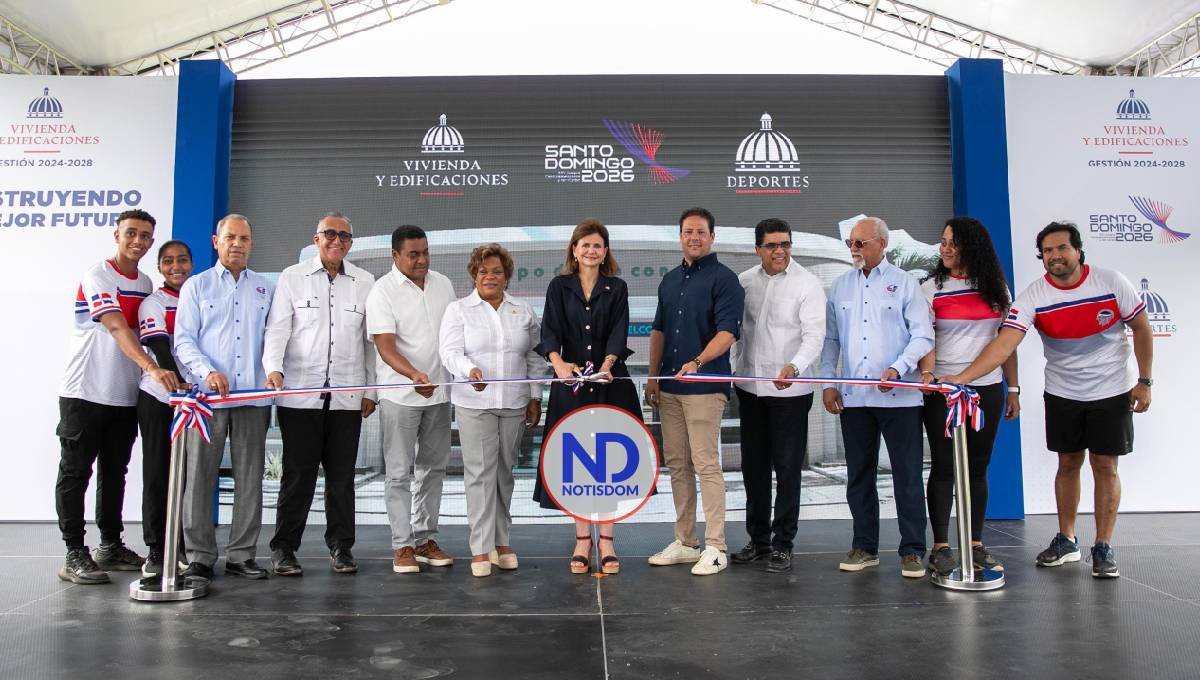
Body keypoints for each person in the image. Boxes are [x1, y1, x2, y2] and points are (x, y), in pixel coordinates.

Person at [942, 221, 1153, 579]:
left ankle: (1103, 546)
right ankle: (1067, 540)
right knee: (1067, 464)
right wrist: (962, 378)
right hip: (1063, 391)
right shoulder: (1034, 296)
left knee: (1105, 467)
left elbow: (1143, 327)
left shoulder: (1111, 281)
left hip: (1112, 389)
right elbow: (1004, 344)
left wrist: (1145, 381)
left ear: (1078, 251)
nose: (1055, 256)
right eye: (1048, 251)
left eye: (1062, 248)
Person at [56, 209, 180, 584]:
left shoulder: (144, 283)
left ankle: (109, 544)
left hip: (124, 396)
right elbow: (114, 325)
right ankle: (74, 551)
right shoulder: (99, 276)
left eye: (145, 235)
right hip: (85, 391)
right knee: (76, 471)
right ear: (117, 235)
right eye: (131, 233)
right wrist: (152, 367)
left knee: (115, 472)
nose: (138, 241)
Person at [820, 216, 934, 578]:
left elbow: (923, 336)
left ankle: (913, 550)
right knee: (859, 475)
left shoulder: (905, 284)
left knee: (907, 476)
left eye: (860, 243)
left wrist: (899, 368)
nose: (853, 249)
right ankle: (864, 546)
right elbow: (831, 342)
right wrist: (828, 384)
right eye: (851, 243)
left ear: (882, 244)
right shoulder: (839, 287)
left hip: (900, 398)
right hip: (855, 399)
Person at [263, 213, 376, 577]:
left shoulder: (365, 281)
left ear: (351, 243)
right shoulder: (292, 277)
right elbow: (278, 330)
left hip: (346, 395)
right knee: (298, 475)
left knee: (342, 477)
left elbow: (369, 343)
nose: (337, 240)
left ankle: (342, 548)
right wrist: (273, 369)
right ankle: (284, 548)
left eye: (345, 235)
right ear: (316, 239)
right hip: (300, 394)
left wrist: (371, 390)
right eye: (330, 233)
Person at [533, 218, 641, 575]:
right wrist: (559, 363)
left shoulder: (618, 287)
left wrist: (609, 363)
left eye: (597, 245)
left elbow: (619, 331)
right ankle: (582, 539)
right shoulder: (558, 287)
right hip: (572, 385)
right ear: (574, 250)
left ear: (605, 251)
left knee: (610, 464)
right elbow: (549, 331)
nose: (591, 250)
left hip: (611, 384)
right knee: (574, 463)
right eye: (585, 245)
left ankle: (607, 541)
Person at [644, 207, 745, 577]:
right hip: (669, 389)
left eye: (701, 232)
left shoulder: (725, 279)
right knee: (678, 466)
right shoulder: (669, 281)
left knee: (705, 464)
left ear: (712, 236)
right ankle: (686, 542)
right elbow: (658, 332)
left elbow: (727, 333)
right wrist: (654, 378)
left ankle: (716, 545)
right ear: (680, 236)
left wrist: (698, 361)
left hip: (705, 386)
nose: (694, 238)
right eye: (688, 232)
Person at [175, 214, 275, 582]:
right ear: (216, 242)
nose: (238, 243)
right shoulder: (197, 287)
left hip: (253, 398)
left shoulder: (266, 288)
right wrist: (206, 372)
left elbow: (275, 339)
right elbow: (183, 340)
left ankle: (242, 555)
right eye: (230, 237)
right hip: (207, 401)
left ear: (251, 243)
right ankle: (200, 555)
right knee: (200, 476)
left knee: (251, 478)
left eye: (244, 238)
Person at [918, 217, 1020, 576]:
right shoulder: (930, 289)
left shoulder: (996, 290)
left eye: (953, 242)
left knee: (978, 467)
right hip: (944, 391)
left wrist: (1014, 388)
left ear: (972, 246)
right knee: (944, 467)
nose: (944, 248)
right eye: (942, 241)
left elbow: (1007, 342)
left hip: (988, 389)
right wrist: (930, 377)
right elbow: (924, 340)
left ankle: (975, 543)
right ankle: (941, 547)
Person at [439, 243, 542, 578]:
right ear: (474, 274)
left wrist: (535, 396)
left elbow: (534, 357)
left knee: (504, 475)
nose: (490, 276)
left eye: (497, 271)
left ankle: (502, 543)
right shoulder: (458, 310)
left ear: (507, 276)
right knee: (481, 475)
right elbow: (449, 352)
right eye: (483, 271)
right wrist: (469, 370)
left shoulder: (523, 310)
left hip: (513, 403)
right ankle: (481, 548)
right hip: (474, 404)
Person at [730, 218, 826, 574]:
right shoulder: (743, 282)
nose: (779, 251)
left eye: (785, 244)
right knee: (754, 468)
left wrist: (795, 367)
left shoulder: (808, 284)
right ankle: (758, 541)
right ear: (758, 249)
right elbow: (734, 332)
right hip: (750, 390)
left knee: (787, 470)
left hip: (791, 391)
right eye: (771, 245)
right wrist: (731, 372)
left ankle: (783, 544)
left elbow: (814, 336)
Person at [366, 225, 457, 575]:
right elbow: (386, 348)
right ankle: (401, 545)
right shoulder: (381, 292)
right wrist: (413, 375)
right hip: (401, 395)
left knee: (433, 470)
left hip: (439, 395)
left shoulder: (443, 284)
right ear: (395, 256)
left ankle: (425, 539)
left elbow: (452, 336)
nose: (422, 260)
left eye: (425, 252)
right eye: (413, 254)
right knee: (399, 473)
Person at [135, 239, 194, 578]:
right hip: (159, 400)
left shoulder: (198, 297)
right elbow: (160, 347)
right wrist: (179, 384)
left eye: (183, 260)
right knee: (158, 473)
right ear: (160, 268)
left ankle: (182, 545)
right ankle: (157, 549)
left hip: (193, 403)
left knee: (187, 476)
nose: (177, 267)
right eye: (169, 261)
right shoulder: (153, 303)